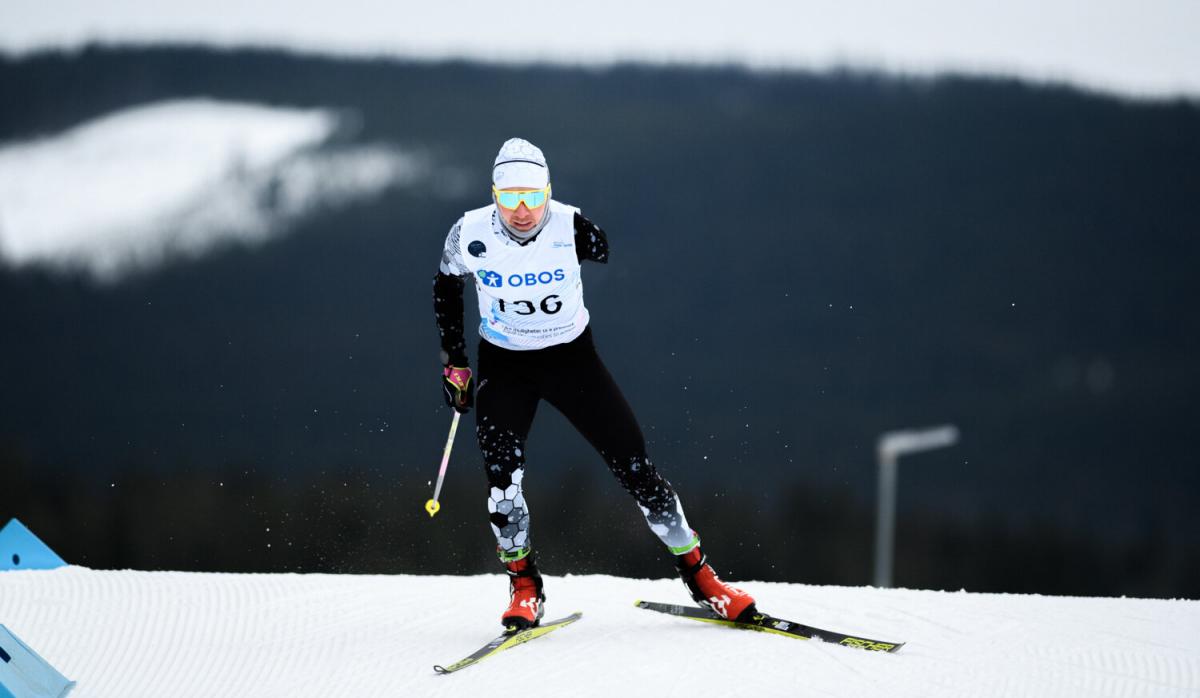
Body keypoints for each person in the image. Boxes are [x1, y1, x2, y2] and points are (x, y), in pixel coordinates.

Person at [432, 138, 756, 630]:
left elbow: (617, 244)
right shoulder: (468, 233)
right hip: (505, 364)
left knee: (636, 469)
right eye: (509, 199)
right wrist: (454, 362)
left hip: (571, 361)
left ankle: (702, 578)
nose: (522, 212)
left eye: (533, 198)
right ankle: (525, 586)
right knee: (502, 484)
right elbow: (446, 285)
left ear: (549, 193)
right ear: (493, 194)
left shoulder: (573, 227)